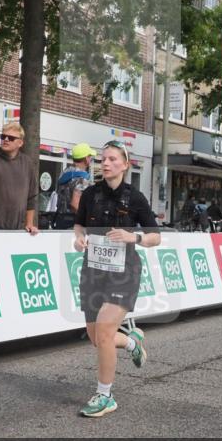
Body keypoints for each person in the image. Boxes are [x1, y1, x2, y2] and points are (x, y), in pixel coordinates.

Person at [73, 141, 160, 417]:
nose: (105, 163)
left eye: (112, 159)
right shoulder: (89, 194)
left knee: (105, 331)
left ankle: (104, 395)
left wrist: (132, 237)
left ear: (125, 164)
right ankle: (132, 343)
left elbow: (155, 237)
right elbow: (79, 224)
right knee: (97, 337)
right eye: (102, 159)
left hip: (124, 274)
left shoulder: (135, 198)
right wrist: (78, 238)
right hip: (93, 272)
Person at [51, 143, 95, 229]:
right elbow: (75, 204)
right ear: (86, 158)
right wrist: (88, 220)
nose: (91, 159)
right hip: (73, 222)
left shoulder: (65, 172)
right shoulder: (82, 178)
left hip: (60, 218)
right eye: (90, 156)